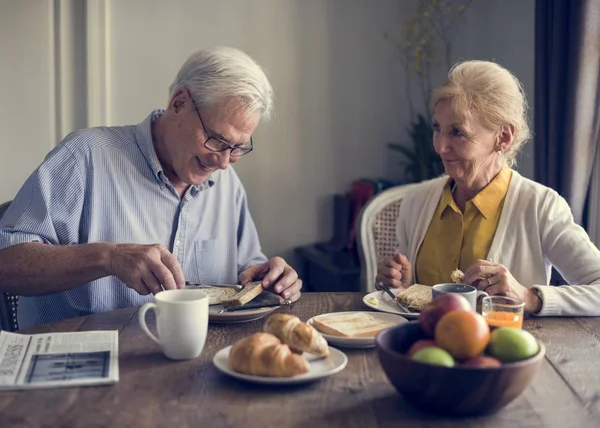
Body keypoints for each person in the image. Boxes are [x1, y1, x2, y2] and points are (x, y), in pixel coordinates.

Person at [0, 46, 302, 328]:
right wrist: (107, 257)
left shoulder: (227, 184)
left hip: (193, 366)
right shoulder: (83, 157)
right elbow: (7, 266)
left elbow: (246, 268)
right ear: (179, 103)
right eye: (217, 140)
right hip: (80, 368)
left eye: (237, 148)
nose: (223, 162)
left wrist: (268, 277)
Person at [376, 60, 600, 316]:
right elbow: (410, 298)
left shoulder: (542, 207)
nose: (440, 146)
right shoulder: (416, 202)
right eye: (437, 128)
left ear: (503, 137)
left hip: (502, 353)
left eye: (458, 133)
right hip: (421, 351)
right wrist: (400, 287)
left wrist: (529, 297)